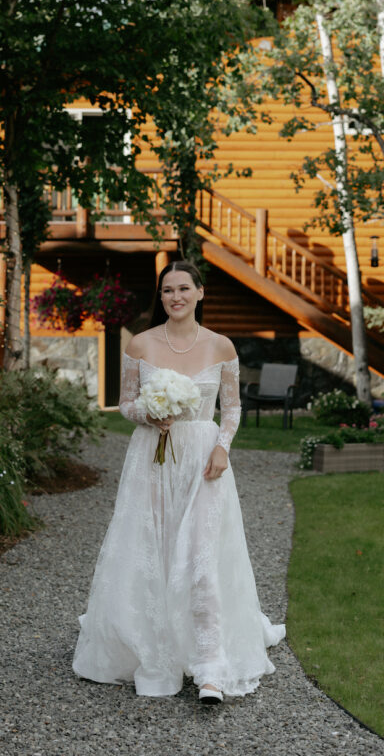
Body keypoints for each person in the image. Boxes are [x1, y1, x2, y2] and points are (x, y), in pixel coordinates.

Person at [72, 260, 285, 704]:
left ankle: (210, 667)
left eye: (184, 288)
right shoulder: (142, 345)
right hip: (151, 457)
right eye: (168, 291)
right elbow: (125, 403)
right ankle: (156, 652)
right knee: (154, 547)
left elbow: (231, 409)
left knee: (201, 554)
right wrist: (149, 413)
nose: (176, 297)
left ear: (200, 293)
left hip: (203, 459)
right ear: (161, 297)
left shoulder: (222, 347)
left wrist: (223, 447)